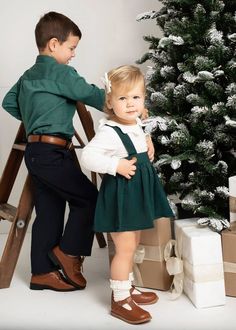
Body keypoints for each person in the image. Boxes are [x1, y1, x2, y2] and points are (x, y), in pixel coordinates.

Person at [2, 11, 106, 292]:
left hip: (34, 152)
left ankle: (42, 273)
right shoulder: (62, 73)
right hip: (52, 154)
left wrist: (36, 115)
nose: (73, 54)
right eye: (71, 47)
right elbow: (92, 95)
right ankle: (69, 253)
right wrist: (124, 102)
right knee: (89, 199)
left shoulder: (28, 76)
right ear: (53, 44)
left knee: (49, 209)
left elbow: (8, 102)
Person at [80, 65, 174, 324]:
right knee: (124, 248)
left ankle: (127, 286)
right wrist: (115, 166)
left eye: (136, 97)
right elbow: (87, 156)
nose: (131, 104)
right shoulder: (109, 132)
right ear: (110, 102)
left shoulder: (135, 121)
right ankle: (120, 300)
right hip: (122, 197)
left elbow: (137, 130)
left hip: (137, 195)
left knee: (134, 242)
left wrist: (148, 142)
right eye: (123, 98)